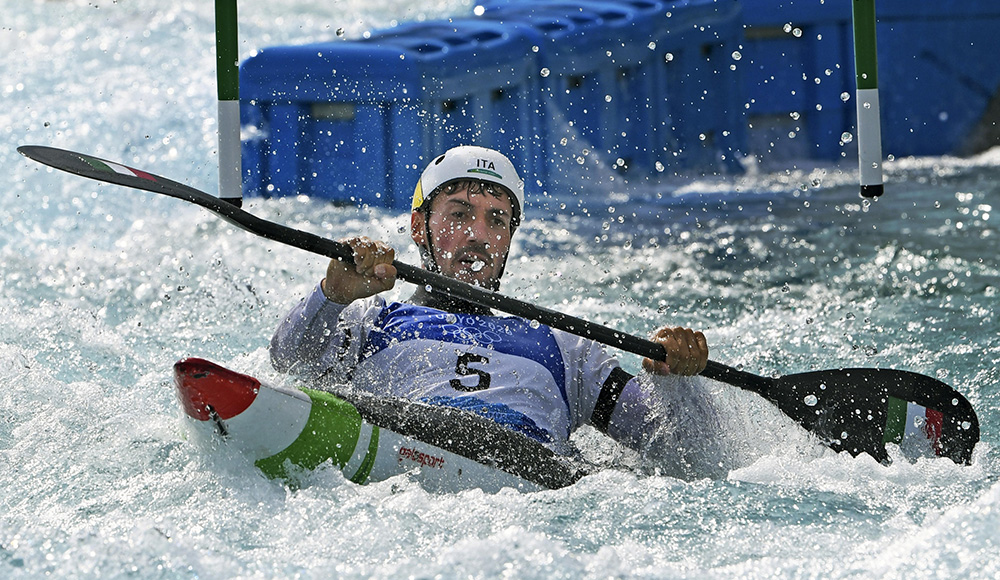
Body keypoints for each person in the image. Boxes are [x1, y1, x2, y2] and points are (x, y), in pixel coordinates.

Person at [270, 145, 709, 456]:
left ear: (510, 238)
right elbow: (287, 363)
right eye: (459, 214)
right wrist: (333, 296)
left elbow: (674, 450)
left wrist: (674, 383)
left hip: (534, 477)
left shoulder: (567, 348)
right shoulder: (370, 319)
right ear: (419, 227)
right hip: (402, 446)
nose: (478, 235)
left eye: (496, 220)